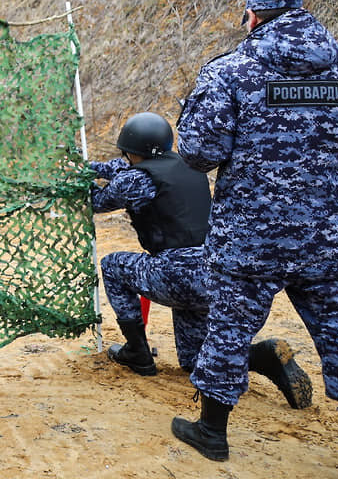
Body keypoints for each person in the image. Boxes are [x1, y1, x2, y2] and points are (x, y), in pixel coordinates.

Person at [172, 0, 338, 476]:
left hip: (251, 241)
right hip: (327, 240)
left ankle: (213, 433)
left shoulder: (230, 72)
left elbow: (198, 153)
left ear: (253, 16)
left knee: (227, 331)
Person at [91, 111, 312, 411]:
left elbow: (99, 201)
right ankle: (264, 357)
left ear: (132, 149)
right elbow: (121, 167)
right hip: (214, 274)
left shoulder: (136, 178)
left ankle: (138, 353)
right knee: (195, 361)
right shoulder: (188, 164)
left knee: (112, 266)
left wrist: (78, 177)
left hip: (175, 274)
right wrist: (95, 168)